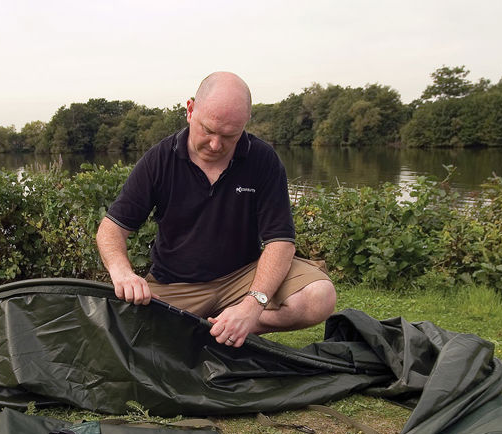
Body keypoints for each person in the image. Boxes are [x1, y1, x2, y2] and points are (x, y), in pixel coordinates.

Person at [96, 72, 336, 348]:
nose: (215, 145)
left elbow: (280, 242)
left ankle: (234, 327)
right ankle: (212, 329)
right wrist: (122, 272)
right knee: (122, 331)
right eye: (208, 130)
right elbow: (111, 229)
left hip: (244, 277)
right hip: (176, 285)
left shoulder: (263, 160)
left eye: (229, 136)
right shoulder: (159, 160)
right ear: (190, 110)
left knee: (320, 296)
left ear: (245, 125)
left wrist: (252, 306)